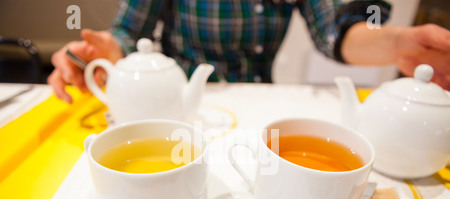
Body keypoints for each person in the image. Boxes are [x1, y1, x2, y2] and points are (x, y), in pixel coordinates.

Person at [48, 0, 450, 104]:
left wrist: (394, 42)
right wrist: (99, 52)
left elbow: (336, 30)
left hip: (261, 107)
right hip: (180, 101)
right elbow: (126, 32)